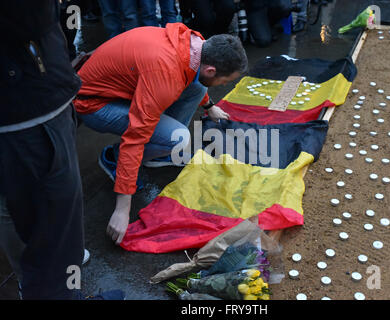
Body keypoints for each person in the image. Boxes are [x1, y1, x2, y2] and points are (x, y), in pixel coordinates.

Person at [73, 23, 248, 245]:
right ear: (211, 70)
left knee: (198, 87)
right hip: (94, 104)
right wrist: (122, 209)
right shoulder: (164, 72)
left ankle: (159, 151)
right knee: (179, 137)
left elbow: (195, 79)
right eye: (225, 81)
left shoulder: (194, 45)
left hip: (119, 86)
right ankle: (113, 159)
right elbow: (135, 138)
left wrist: (209, 105)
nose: (223, 84)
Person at [0, 0, 124, 299]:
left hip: (26, 107)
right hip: (29, 115)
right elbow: (29, 18)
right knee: (56, 235)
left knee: (18, 214)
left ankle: (35, 286)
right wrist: (123, 206)